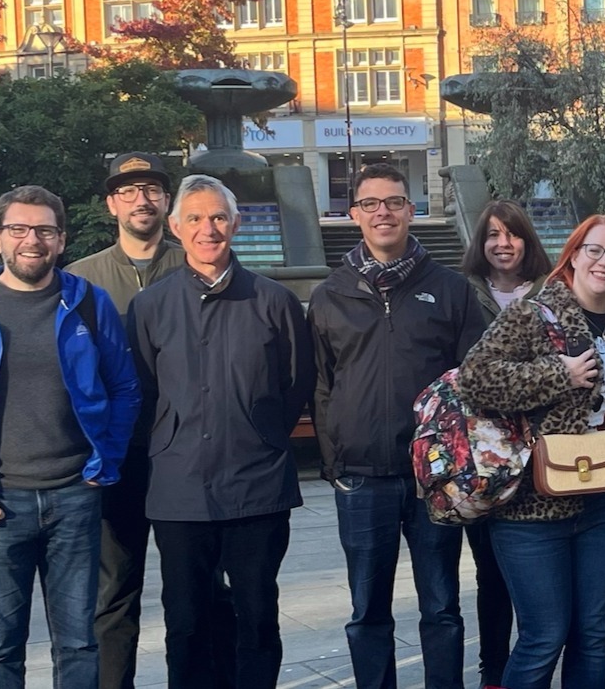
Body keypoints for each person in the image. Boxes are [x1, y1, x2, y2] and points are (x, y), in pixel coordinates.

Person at [0, 184, 140, 689]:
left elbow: (125, 388)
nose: (33, 240)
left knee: (78, 643)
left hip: (75, 498)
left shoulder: (88, 304)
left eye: (45, 230)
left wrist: (104, 462)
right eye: (19, 229)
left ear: (62, 239)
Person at [456, 215, 605, 689]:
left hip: (604, 501)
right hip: (531, 508)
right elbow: (475, 379)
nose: (603, 262)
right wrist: (556, 374)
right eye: (594, 250)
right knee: (543, 637)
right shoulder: (533, 313)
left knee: (591, 634)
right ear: (573, 254)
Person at [130, 175, 314, 689]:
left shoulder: (273, 300)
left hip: (257, 485)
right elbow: (144, 391)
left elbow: (295, 382)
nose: (207, 229)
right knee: (186, 618)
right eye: (195, 218)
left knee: (257, 613)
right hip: (179, 489)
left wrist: (259, 433)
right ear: (175, 227)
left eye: (217, 218)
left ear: (235, 224)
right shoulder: (150, 306)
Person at [310, 163, 486, 689]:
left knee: (441, 606)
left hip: (432, 479)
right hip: (361, 477)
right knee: (368, 609)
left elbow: (472, 383)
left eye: (393, 202)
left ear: (411, 210)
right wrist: (333, 461)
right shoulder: (330, 294)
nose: (382, 212)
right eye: (370, 204)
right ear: (354, 215)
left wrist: (460, 468)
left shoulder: (450, 290)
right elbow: (321, 386)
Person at [67, 152, 187, 689]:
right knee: (113, 592)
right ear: (112, 202)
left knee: (197, 585)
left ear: (167, 200)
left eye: (153, 189)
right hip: (116, 459)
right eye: (129, 190)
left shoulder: (197, 265)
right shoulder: (80, 280)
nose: (142, 199)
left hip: (188, 455)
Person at [458, 198, 551, 689]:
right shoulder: (463, 294)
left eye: (511, 234)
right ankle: (494, 670)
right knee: (490, 573)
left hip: (543, 453)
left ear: (526, 240)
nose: (502, 243)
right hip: (484, 455)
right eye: (492, 234)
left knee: (541, 578)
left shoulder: (552, 292)